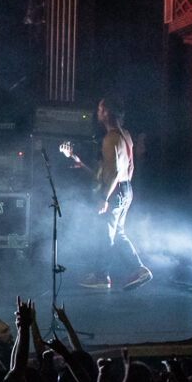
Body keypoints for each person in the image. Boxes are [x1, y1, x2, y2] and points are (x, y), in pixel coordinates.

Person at [64, 96, 152, 291]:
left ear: (106, 113)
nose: (97, 113)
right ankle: (133, 270)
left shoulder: (110, 139)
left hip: (115, 191)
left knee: (107, 235)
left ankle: (104, 276)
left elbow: (113, 172)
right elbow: (121, 169)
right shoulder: (125, 135)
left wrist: (104, 198)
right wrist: (83, 165)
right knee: (116, 233)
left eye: (100, 109)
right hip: (125, 189)